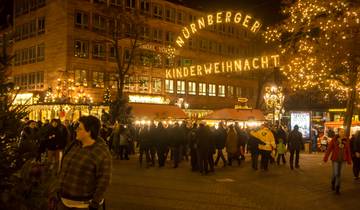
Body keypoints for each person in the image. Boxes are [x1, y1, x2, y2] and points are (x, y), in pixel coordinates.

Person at [56, 115, 112, 210]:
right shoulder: (74, 145)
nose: (76, 130)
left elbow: (104, 181)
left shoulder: (101, 153)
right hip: (63, 201)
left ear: (89, 132)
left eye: (80, 128)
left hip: (83, 205)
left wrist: (95, 202)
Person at [323, 128, 351, 194]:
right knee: (335, 173)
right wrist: (326, 158)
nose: (342, 133)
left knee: (339, 174)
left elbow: (348, 151)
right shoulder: (334, 139)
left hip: (343, 159)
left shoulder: (346, 140)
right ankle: (333, 182)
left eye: (343, 132)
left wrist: (349, 160)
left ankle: (337, 187)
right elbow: (329, 149)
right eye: (341, 132)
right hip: (335, 159)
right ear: (338, 133)